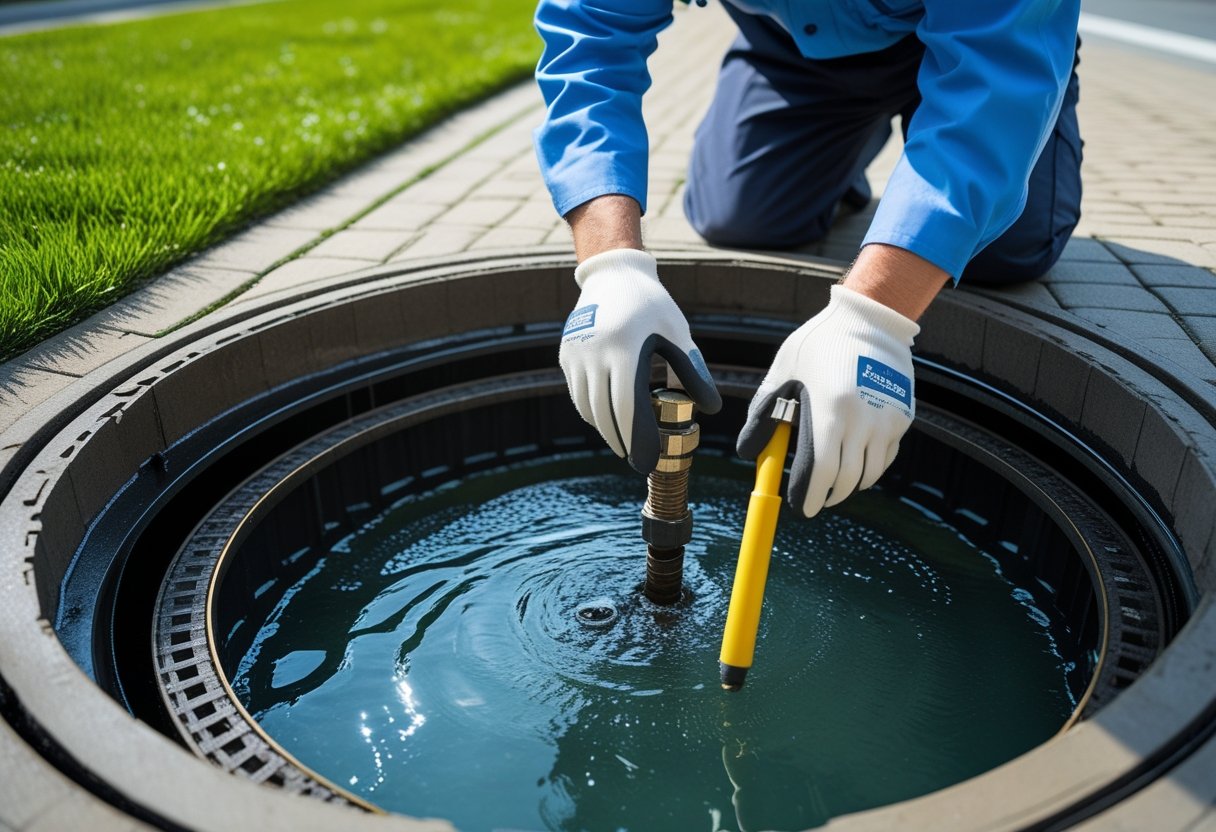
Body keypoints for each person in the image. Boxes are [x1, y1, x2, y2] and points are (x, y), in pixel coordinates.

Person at [533, 0, 1082, 518]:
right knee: (741, 217)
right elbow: (589, 39)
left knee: (1005, 253)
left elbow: (995, 76)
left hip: (987, 61)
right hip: (802, 51)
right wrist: (609, 265)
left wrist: (875, 318)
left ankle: (937, 162)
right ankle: (856, 167)